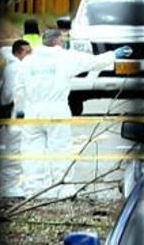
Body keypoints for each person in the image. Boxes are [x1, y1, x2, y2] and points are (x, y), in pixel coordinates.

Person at [18, 30, 131, 197]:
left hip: (33, 112)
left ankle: (33, 190)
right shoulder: (65, 57)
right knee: (60, 151)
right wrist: (113, 54)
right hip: (56, 110)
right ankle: (61, 189)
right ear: (58, 41)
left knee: (32, 152)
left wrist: (20, 107)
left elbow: (18, 86)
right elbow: (93, 62)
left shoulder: (28, 61)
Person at [0, 40, 32, 198]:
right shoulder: (16, 68)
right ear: (19, 52)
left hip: (15, 115)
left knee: (15, 151)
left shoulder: (12, 67)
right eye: (27, 52)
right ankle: (8, 186)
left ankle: (9, 185)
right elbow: (10, 94)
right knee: (14, 152)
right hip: (15, 115)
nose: (30, 55)